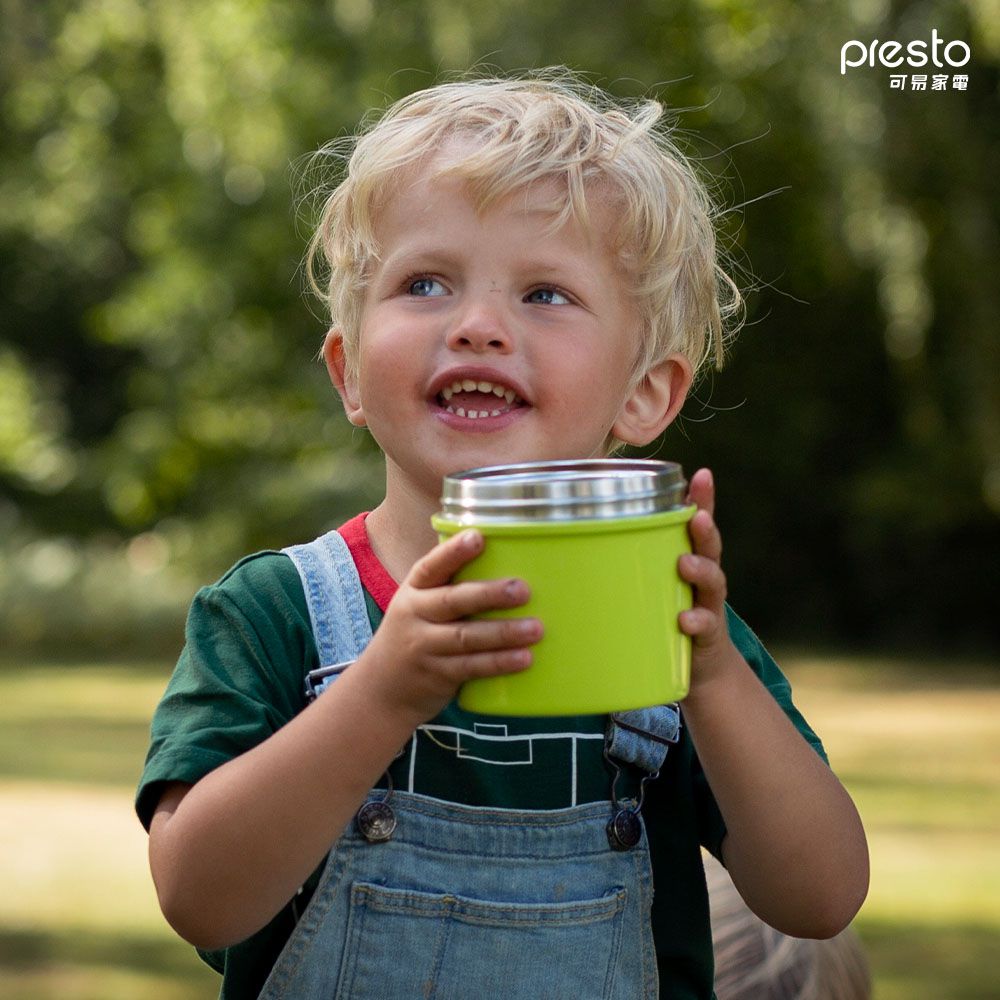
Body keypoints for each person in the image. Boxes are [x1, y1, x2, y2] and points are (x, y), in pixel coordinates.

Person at [136, 70, 869, 999]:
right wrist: (381, 694)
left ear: (644, 393)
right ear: (350, 371)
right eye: (425, 282)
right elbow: (198, 897)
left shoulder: (671, 630)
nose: (478, 325)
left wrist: (713, 676)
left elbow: (821, 897)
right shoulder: (275, 613)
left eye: (547, 295)